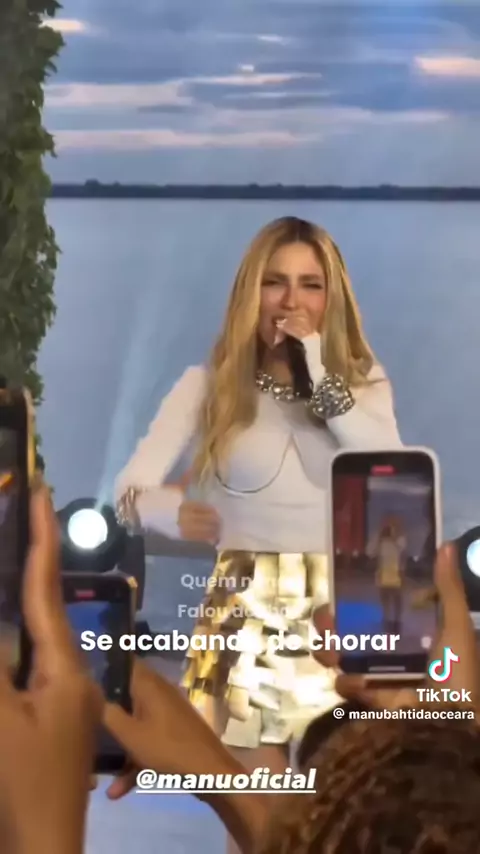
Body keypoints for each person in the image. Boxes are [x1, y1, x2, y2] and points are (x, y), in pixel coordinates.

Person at [114, 217, 403, 796]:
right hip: (243, 612)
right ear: (252, 291)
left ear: (331, 298)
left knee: (343, 807)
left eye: (310, 284)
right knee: (256, 807)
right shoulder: (208, 384)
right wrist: (170, 513)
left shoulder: (363, 384)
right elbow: (127, 495)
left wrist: (313, 364)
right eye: (275, 282)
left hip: (342, 611)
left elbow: (385, 464)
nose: (291, 301)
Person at [371, 516, 406, 634]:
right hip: (383, 575)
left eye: (392, 524)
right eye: (388, 524)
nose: (389, 527)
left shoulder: (400, 539)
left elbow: (402, 549)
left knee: (397, 601)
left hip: (396, 574)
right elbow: (371, 552)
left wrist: (394, 536)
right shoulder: (381, 541)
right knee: (385, 601)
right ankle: (387, 622)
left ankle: (397, 623)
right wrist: (379, 536)